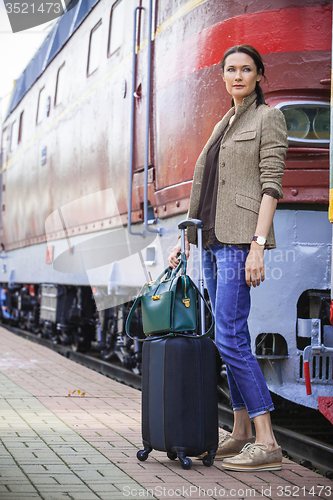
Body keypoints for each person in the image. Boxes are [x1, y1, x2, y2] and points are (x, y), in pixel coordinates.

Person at [167, 44, 288, 472]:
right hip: (212, 241)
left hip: (240, 242)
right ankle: (239, 432)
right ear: (223, 76)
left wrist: (258, 244)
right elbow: (207, 187)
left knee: (232, 335)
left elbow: (271, 185)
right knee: (225, 333)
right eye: (231, 69)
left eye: (247, 69)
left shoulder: (267, 117)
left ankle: (267, 440)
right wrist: (185, 237)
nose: (238, 76)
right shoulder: (223, 123)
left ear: (259, 75)